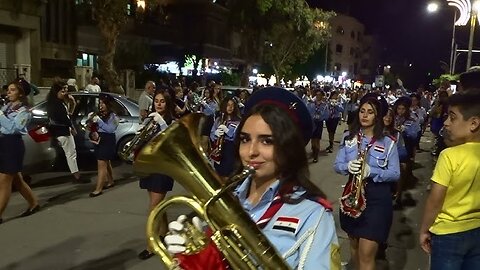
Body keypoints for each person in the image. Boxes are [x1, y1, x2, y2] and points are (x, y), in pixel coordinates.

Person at [165, 87, 341, 269]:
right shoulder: (226, 199)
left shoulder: (313, 215)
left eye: (267, 141)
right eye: (245, 139)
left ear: (289, 148)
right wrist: (190, 258)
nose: (251, 152)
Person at [334, 93, 400, 270]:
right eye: (362, 111)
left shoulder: (388, 142)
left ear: (377, 116)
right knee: (354, 248)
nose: (364, 115)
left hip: (378, 199)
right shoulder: (348, 137)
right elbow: (337, 165)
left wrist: (372, 171)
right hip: (352, 196)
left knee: (366, 253)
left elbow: (395, 173)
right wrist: (347, 166)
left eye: (370, 112)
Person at [419, 91, 480, 270]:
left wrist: (424, 229)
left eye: (452, 118)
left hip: (448, 233)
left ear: (474, 123)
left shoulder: (449, 156)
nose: (446, 122)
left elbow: (435, 199)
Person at [137, 89, 177, 260]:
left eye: (162, 101)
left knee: (153, 208)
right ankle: (165, 233)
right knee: (158, 206)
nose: (158, 104)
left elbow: (170, 142)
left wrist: (161, 124)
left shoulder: (172, 122)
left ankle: (151, 245)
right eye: (156, 101)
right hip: (150, 166)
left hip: (163, 167)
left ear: (167, 104)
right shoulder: (150, 119)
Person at [0, 79, 40, 224]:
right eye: (8, 90)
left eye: (12, 90)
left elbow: (13, 128)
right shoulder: (7, 107)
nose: (8, 92)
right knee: (17, 179)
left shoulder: (25, 111)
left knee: (4, 181)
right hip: (3, 143)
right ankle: (34, 203)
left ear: (21, 93)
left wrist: (0, 115)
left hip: (13, 145)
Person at [46, 81, 89, 183]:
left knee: (70, 153)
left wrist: (72, 103)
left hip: (62, 130)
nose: (65, 92)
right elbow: (64, 118)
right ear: (56, 91)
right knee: (70, 153)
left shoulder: (59, 102)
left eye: (66, 89)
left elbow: (68, 115)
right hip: (61, 131)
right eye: (62, 90)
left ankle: (75, 173)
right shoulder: (55, 104)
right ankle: (76, 176)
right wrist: (71, 127)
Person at [88, 93, 119, 197]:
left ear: (108, 104)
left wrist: (99, 122)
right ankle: (110, 181)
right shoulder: (99, 114)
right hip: (99, 140)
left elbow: (111, 129)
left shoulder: (113, 116)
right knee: (106, 162)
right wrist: (90, 122)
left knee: (101, 164)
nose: (101, 105)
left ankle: (98, 189)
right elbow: (89, 127)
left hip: (107, 140)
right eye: (100, 103)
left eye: (103, 103)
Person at [209, 97, 241, 177]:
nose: (230, 107)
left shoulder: (238, 120)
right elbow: (212, 133)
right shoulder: (219, 119)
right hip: (220, 149)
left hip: (230, 149)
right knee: (218, 172)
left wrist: (228, 131)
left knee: (228, 172)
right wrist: (215, 134)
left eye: (232, 105)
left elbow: (238, 137)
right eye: (228, 105)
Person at [307, 90, 329, 163]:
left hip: (319, 123)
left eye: (319, 95)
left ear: (322, 96)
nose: (318, 96)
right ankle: (314, 151)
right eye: (317, 95)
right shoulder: (311, 104)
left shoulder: (324, 105)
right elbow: (308, 112)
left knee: (317, 140)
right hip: (312, 123)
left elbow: (327, 115)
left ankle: (316, 156)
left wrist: (321, 117)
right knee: (312, 140)